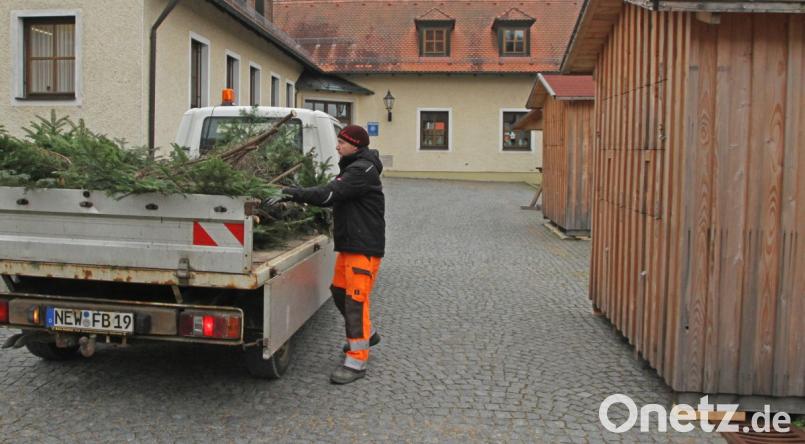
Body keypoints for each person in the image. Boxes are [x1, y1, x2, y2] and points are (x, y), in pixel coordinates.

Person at [270, 124, 385, 384]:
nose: (336, 146)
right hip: (351, 245)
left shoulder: (361, 170)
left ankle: (357, 361)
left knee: (355, 302)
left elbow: (329, 194)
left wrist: (290, 193)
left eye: (341, 142)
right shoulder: (356, 166)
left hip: (363, 247)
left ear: (355, 145)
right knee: (340, 292)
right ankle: (367, 334)